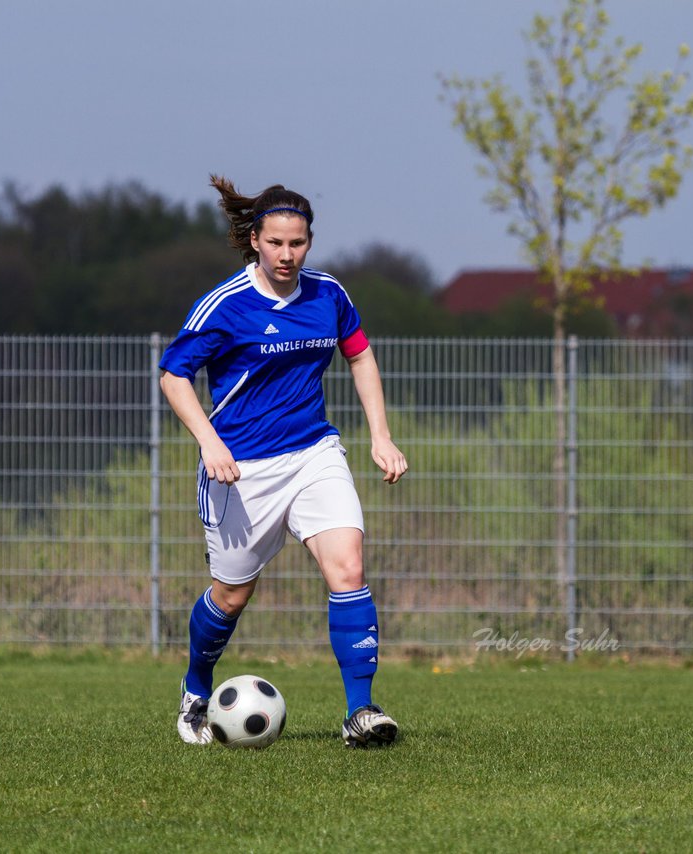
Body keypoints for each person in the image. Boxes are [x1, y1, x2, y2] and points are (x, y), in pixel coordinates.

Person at [159, 175, 409, 748]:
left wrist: (381, 435)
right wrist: (209, 441)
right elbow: (174, 376)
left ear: (309, 243)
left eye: (297, 244)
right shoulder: (226, 305)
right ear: (254, 240)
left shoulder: (329, 295)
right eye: (275, 243)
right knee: (230, 595)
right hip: (242, 469)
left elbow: (360, 356)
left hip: (314, 453)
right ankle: (196, 688)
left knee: (348, 568)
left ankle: (360, 713)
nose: (286, 255)